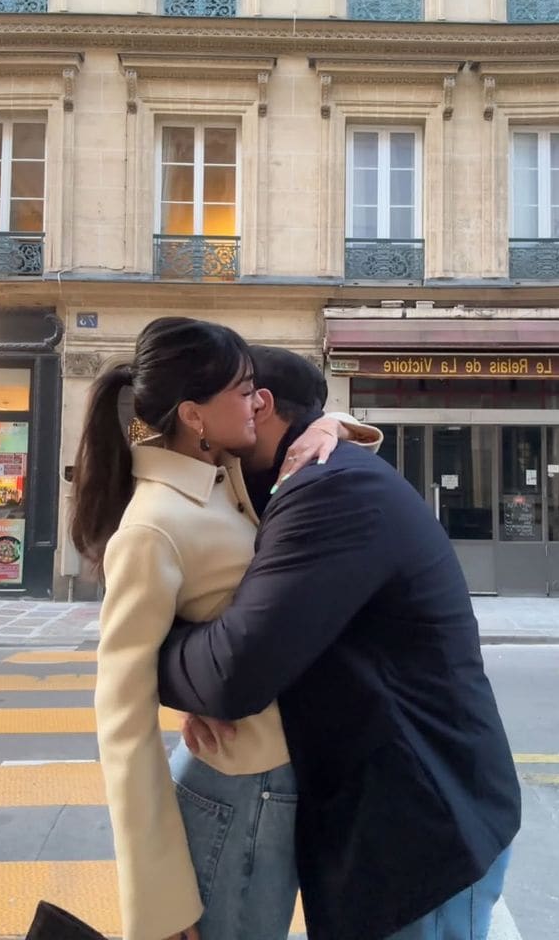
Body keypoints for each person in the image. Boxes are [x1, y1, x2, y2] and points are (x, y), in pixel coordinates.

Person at [157, 345, 522, 940]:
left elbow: (234, 674)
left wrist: (145, 650)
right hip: (405, 820)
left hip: (422, 833)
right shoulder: (311, 479)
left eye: (212, 407)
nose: (201, 436)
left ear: (261, 404)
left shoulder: (328, 489)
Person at [67, 317, 378, 940]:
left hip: (267, 784)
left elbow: (341, 454)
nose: (256, 401)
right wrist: (157, 894)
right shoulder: (154, 525)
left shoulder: (223, 477)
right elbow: (120, 717)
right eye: (242, 390)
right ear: (194, 415)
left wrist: (327, 425)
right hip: (241, 793)